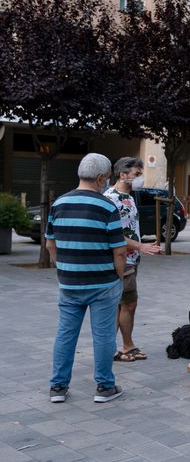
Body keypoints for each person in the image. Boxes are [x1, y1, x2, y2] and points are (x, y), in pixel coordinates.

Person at [46, 153, 128, 404]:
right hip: (103, 283)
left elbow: (50, 244)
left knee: (65, 334)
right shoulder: (106, 206)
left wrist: (62, 268)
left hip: (69, 282)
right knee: (103, 336)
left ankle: (58, 388)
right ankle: (104, 387)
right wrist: (119, 275)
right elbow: (120, 250)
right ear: (101, 178)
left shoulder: (58, 203)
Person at [104, 157, 161, 363]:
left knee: (124, 304)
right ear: (122, 175)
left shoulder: (128, 196)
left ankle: (120, 346)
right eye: (137, 174)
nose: (140, 179)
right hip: (121, 260)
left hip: (130, 259)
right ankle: (123, 347)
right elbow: (114, 234)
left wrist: (142, 245)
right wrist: (141, 246)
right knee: (127, 303)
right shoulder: (112, 199)